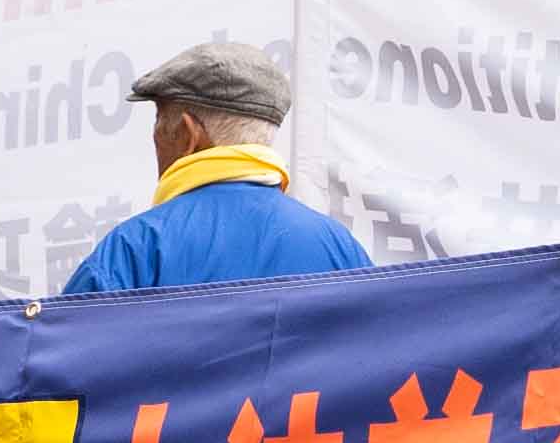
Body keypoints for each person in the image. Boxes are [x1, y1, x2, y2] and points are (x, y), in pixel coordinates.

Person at [62, 43, 368, 295]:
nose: (154, 136)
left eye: (158, 119)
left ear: (188, 134)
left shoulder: (135, 249)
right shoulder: (340, 248)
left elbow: (66, 345)